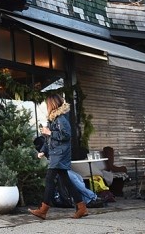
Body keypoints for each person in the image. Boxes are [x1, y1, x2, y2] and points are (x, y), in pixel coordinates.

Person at [29, 92, 88, 220]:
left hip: (60, 155)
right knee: (66, 181)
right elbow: (49, 139)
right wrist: (43, 150)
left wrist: (49, 132)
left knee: (50, 179)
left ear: (52, 104)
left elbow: (66, 136)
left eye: (47, 104)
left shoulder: (61, 118)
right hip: (57, 154)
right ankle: (81, 207)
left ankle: (43, 210)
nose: (46, 107)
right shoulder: (54, 119)